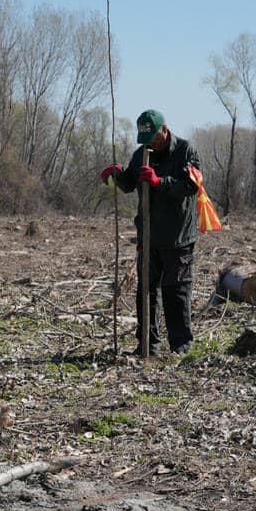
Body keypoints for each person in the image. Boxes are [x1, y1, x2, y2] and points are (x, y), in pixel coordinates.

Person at [100, 109, 200, 356]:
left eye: (154, 138)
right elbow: (128, 183)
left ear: (164, 130)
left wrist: (159, 182)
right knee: (146, 292)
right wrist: (114, 177)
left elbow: (190, 186)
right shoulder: (141, 154)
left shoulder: (186, 152)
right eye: (145, 140)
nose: (150, 144)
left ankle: (180, 346)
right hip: (150, 237)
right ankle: (148, 345)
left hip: (179, 237)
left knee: (175, 290)